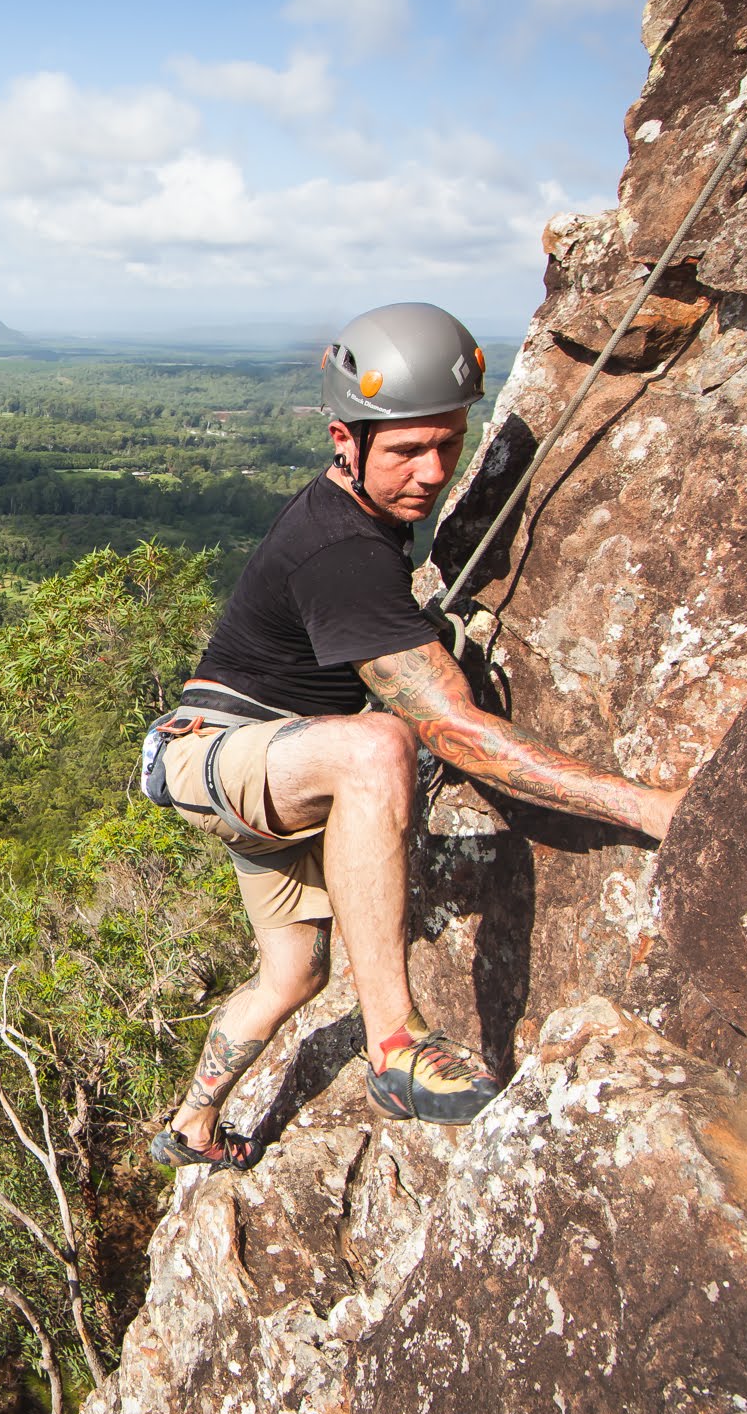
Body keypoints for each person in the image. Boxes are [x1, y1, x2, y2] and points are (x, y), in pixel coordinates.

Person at [141, 302, 685, 1171]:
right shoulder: (341, 551)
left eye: (448, 443)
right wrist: (652, 808)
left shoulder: (364, 519)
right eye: (405, 450)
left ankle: (189, 1127)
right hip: (215, 750)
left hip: (265, 769)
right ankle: (395, 1043)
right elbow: (453, 730)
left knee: (292, 976)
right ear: (343, 440)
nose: (431, 472)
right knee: (380, 746)